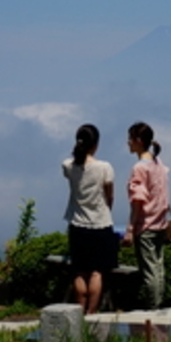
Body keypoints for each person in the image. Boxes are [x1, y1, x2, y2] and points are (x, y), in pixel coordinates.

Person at [62, 124, 118, 314]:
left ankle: (78, 314)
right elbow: (109, 196)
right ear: (96, 144)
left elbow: (72, 166)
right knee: (96, 272)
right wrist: (105, 209)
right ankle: (91, 314)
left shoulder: (68, 166)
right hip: (101, 224)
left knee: (79, 272)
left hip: (77, 224)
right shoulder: (105, 168)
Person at [124, 121, 170, 310]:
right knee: (158, 268)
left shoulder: (140, 168)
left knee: (149, 272)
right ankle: (159, 306)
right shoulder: (158, 163)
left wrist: (130, 228)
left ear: (138, 141)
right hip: (161, 222)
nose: (128, 143)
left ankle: (152, 310)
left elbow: (138, 201)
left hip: (146, 224)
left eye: (130, 139)